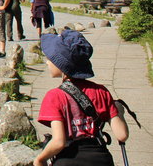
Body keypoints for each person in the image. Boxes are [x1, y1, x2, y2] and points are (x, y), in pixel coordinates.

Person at [35, 30, 129, 166]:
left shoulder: (54, 96)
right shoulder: (101, 91)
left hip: (68, 160)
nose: (47, 62)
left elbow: (59, 142)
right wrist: (118, 112)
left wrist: (40, 159)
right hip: (100, 159)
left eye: (50, 58)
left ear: (62, 65)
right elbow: (121, 135)